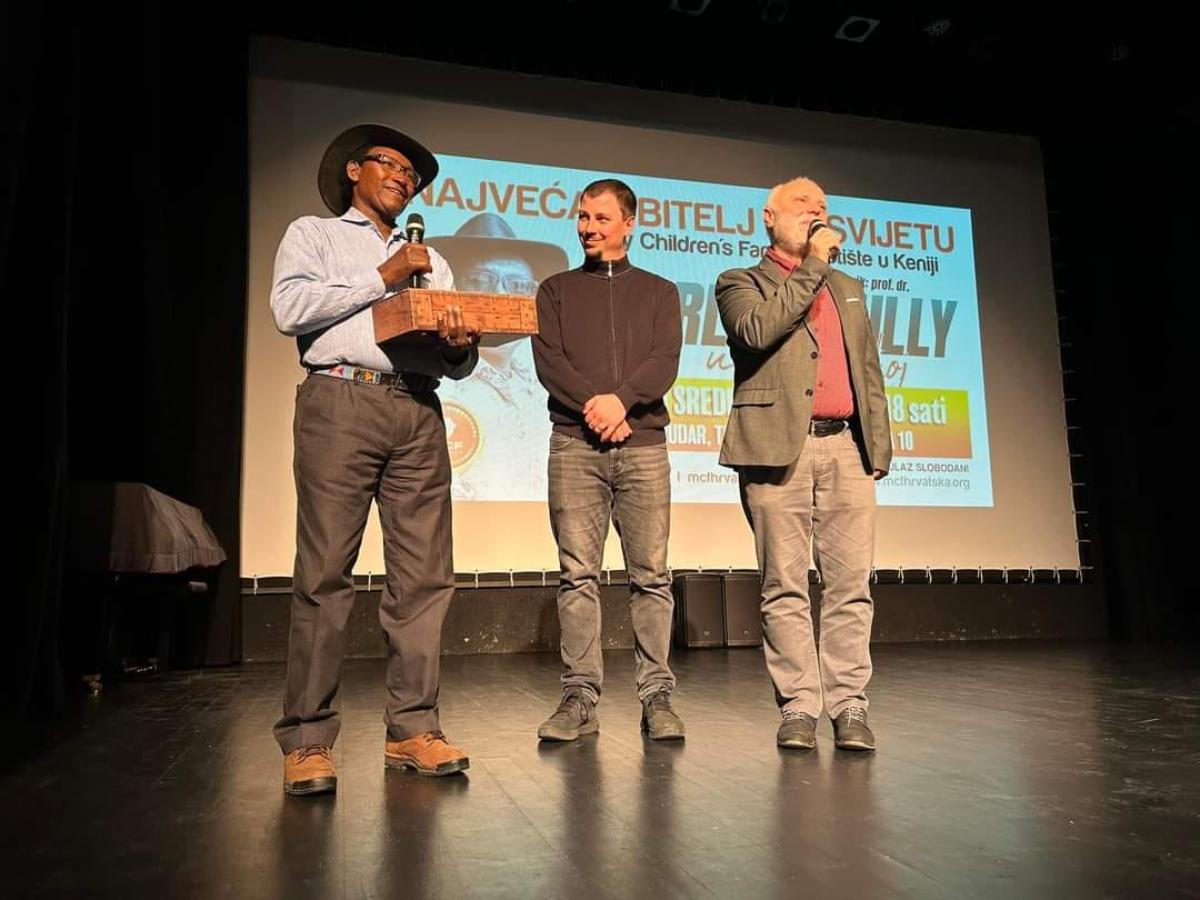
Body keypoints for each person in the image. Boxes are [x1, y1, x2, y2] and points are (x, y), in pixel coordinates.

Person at [269, 123, 480, 795]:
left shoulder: (431, 259)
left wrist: (458, 346)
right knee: (325, 572)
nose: (402, 177)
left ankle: (413, 728)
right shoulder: (314, 234)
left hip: (418, 408)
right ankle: (307, 737)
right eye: (389, 163)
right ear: (353, 171)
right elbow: (289, 308)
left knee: (424, 577)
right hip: (341, 400)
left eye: (411, 174)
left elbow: (458, 358)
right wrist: (380, 277)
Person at [715, 176, 891, 752]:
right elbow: (758, 331)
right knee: (783, 586)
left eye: (821, 207)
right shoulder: (739, 281)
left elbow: (867, 369)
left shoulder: (849, 288)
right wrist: (814, 264)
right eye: (801, 204)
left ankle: (849, 704)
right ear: (768, 217)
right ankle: (798, 706)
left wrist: (879, 447)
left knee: (850, 586)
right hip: (775, 448)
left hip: (847, 448)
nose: (814, 212)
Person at [531, 178, 685, 742]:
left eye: (600, 218)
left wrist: (622, 401)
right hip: (575, 446)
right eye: (582, 217)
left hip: (643, 447)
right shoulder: (555, 290)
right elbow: (550, 362)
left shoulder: (660, 292)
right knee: (577, 576)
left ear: (628, 224)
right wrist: (598, 409)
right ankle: (580, 698)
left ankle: (657, 697)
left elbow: (664, 360)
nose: (588, 228)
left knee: (651, 577)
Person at [426, 213, 568, 499]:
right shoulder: (432, 376)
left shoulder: (543, 379)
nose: (502, 295)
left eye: (518, 286)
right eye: (481, 280)